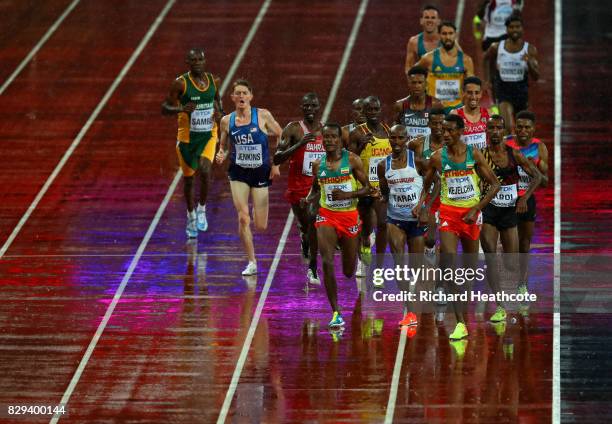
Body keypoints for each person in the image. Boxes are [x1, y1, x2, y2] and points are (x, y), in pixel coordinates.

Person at [420, 114, 500, 340]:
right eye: (443, 130)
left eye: (449, 131)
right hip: (448, 214)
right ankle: (460, 323)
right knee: (449, 260)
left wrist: (477, 208)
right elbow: (427, 184)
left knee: (467, 273)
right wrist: (423, 207)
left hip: (471, 216)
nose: (444, 134)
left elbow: (494, 184)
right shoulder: (437, 158)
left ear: (460, 131)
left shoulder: (473, 154)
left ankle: (463, 313)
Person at [305, 123, 370, 328]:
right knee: (326, 261)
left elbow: (368, 188)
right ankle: (336, 312)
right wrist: (308, 199)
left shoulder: (352, 160)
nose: (330, 141)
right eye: (327, 137)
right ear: (322, 140)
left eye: (334, 137)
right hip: (327, 216)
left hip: (349, 217)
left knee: (349, 272)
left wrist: (348, 195)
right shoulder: (318, 164)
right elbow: (316, 187)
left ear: (341, 140)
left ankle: (357, 244)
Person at [215, 79, 282, 275]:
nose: (241, 96)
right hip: (238, 173)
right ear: (233, 97)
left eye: (245, 93)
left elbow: (281, 135)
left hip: (260, 171)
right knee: (243, 218)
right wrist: (221, 154)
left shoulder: (262, 115)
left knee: (260, 225)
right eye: (238, 93)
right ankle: (252, 262)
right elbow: (224, 146)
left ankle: (254, 212)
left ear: (251, 96)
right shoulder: (227, 121)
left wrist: (276, 164)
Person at [480, 115, 541, 322]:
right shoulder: (480, 155)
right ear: (487, 131)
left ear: (503, 131)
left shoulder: (514, 155)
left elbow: (537, 177)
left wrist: (524, 197)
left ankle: (516, 284)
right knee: (489, 254)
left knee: (511, 264)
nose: (495, 131)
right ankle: (499, 305)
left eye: (498, 128)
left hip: (509, 212)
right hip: (488, 210)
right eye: (491, 128)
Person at [162, 48, 222, 238]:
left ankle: (202, 209)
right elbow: (165, 107)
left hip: (209, 134)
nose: (197, 62)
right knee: (189, 180)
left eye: (200, 59)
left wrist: (219, 111)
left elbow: (217, 101)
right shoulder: (180, 84)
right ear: (187, 63)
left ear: (205, 60)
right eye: (193, 60)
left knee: (205, 169)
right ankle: (190, 216)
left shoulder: (214, 81)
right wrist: (181, 108)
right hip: (187, 138)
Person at [377, 125, 429, 327]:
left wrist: (422, 205)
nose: (396, 142)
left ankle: (416, 303)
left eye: (400, 138)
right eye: (393, 138)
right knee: (399, 263)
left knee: (416, 269)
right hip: (395, 218)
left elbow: (432, 183)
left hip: (415, 220)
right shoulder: (384, 165)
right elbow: (384, 190)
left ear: (407, 139)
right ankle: (409, 309)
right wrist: (382, 198)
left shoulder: (417, 161)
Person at [273, 93, 323, 285]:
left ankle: (312, 269)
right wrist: (300, 144)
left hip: (317, 188)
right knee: (306, 225)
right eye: (306, 106)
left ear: (319, 107)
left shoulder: (325, 130)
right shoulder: (294, 129)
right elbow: (277, 158)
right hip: (298, 188)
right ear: (302, 108)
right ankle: (304, 236)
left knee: (314, 224)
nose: (310, 109)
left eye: (313, 106)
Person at [505, 111, 548, 294]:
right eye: (519, 127)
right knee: (509, 247)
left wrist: (532, 169)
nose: (523, 131)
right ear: (515, 127)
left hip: (527, 199)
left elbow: (545, 182)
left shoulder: (539, 147)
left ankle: (522, 284)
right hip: (506, 198)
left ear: (533, 129)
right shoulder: (506, 143)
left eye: (527, 127)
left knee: (524, 243)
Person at [348, 96, 392, 273]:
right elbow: (348, 161)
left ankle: (379, 267)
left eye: (376, 109)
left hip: (380, 188)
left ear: (380, 110)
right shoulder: (357, 133)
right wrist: (360, 147)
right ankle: (364, 250)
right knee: (364, 228)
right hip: (362, 187)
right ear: (364, 112)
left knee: (382, 223)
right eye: (369, 110)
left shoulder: (388, 131)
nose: (373, 113)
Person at [484, 13, 539, 131]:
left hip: (521, 93)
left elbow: (536, 76)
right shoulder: (497, 47)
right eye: (511, 27)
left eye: (517, 27)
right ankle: (508, 149)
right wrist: (489, 78)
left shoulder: (530, 49)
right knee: (508, 127)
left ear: (522, 29)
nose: (514, 30)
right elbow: (486, 59)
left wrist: (529, 62)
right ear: (507, 29)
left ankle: (518, 149)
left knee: (523, 129)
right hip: (503, 92)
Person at [415, 21, 475, 113]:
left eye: (451, 33)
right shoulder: (429, 58)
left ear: (456, 35)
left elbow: (472, 87)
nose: (448, 37)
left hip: (456, 109)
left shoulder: (466, 60)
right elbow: (413, 74)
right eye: (444, 33)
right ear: (439, 35)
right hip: (434, 109)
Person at [421, 108, 446, 254]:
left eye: (441, 123)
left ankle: (443, 271)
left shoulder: (454, 145)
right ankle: (429, 254)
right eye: (434, 123)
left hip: (449, 197)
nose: (438, 127)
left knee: (447, 238)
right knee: (430, 239)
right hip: (430, 196)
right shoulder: (418, 144)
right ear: (428, 124)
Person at [393, 66, 443, 140]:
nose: (417, 86)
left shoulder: (435, 104)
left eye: (420, 82)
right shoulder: (400, 105)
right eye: (413, 83)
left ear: (425, 83)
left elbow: (441, 129)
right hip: (407, 149)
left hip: (428, 149)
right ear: (409, 84)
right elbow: (395, 129)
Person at [452, 76, 490, 150]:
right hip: (464, 160)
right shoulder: (455, 115)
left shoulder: (489, 114)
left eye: (476, 93)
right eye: (469, 93)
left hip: (485, 160)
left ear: (481, 94)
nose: (473, 97)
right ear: (463, 93)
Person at [404, 5, 442, 74]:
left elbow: (460, 62)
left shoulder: (446, 40)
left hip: (443, 82)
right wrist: (412, 81)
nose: (430, 20)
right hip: (424, 83)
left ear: (438, 21)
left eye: (433, 18)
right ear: (421, 21)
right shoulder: (414, 42)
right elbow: (408, 68)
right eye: (427, 17)